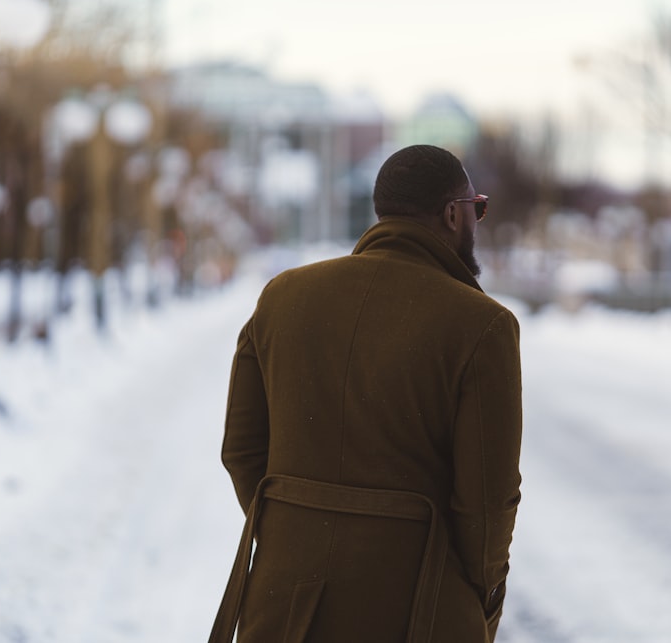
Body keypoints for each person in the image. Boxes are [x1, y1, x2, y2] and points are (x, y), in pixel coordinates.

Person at [208, 144, 522, 643]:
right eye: (476, 209)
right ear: (452, 214)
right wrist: (477, 602)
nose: (477, 222)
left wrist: (295, 530)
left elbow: (241, 449)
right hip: (419, 611)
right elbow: (487, 503)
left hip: (283, 609)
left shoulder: (282, 297)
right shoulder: (483, 326)